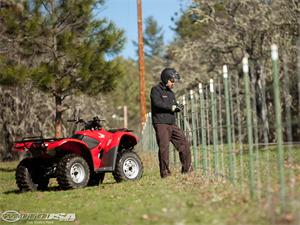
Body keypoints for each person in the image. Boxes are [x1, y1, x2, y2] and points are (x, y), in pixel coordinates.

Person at [150, 68, 192, 178]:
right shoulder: (155, 90)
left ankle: (187, 170)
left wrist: (178, 107)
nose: (173, 83)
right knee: (164, 148)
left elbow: (173, 107)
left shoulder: (171, 93)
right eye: (172, 81)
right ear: (165, 79)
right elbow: (157, 103)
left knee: (184, 144)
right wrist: (172, 107)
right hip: (161, 124)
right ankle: (165, 174)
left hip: (172, 124)